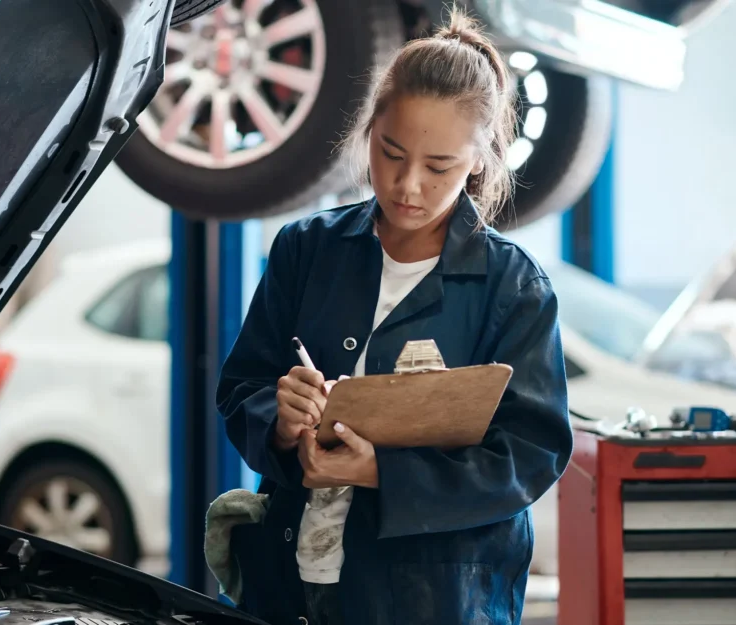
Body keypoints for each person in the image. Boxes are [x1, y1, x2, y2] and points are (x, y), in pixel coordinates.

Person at [215, 7, 573, 625]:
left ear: (482, 160)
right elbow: (241, 389)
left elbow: (530, 453)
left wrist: (383, 472)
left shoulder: (512, 288)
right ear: (368, 129)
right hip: (290, 584)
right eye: (391, 153)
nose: (409, 186)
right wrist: (280, 418)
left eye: (440, 168)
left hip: (430, 604)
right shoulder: (306, 250)